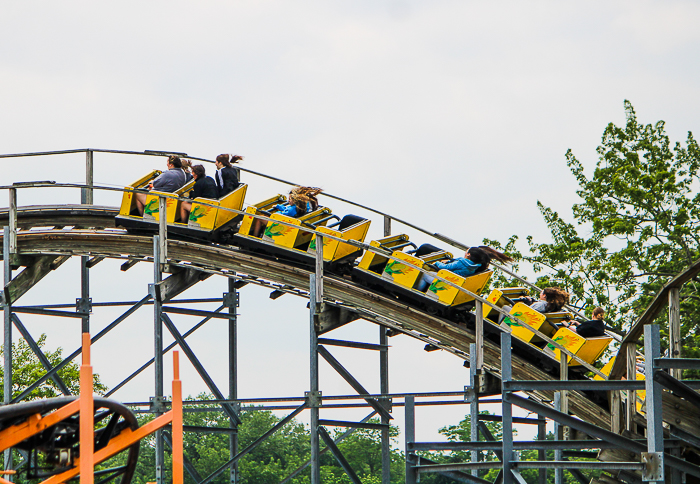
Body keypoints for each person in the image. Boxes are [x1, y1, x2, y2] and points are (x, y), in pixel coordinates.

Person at [417, 246, 514, 291]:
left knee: (425, 274)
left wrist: (437, 263)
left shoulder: (461, 262)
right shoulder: (476, 267)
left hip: (447, 280)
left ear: (468, 254)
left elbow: (445, 267)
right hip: (455, 281)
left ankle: (417, 290)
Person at [252, 186, 323, 237]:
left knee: (260, 218)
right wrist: (279, 206)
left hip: (283, 226)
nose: (288, 201)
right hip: (291, 224)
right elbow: (287, 210)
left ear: (295, 199)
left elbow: (282, 215)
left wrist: (275, 213)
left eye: (290, 199)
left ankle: (255, 236)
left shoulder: (292, 210)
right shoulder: (301, 207)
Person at [498, 287, 570, 323]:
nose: (540, 294)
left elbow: (528, 314)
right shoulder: (551, 307)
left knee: (505, 307)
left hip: (523, 323)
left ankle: (500, 325)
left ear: (544, 296)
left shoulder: (540, 305)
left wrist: (526, 304)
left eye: (541, 293)